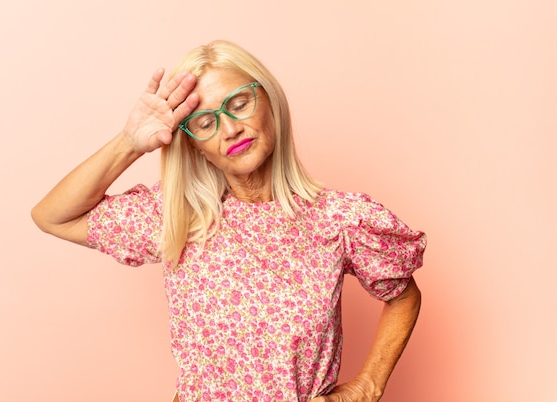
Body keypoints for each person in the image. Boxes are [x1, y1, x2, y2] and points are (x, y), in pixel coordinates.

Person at [32, 40, 426, 402]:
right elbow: (53, 217)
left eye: (238, 103)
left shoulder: (340, 219)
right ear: (197, 147)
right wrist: (129, 142)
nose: (230, 128)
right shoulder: (180, 217)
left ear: (269, 102)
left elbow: (403, 295)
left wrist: (368, 385)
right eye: (205, 122)